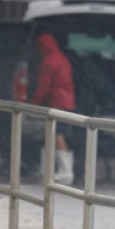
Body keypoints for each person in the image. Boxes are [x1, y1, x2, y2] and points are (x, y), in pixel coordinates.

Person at [28, 33, 76, 184]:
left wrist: (33, 102)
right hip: (68, 101)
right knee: (56, 133)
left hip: (57, 102)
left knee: (56, 134)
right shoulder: (62, 59)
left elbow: (44, 86)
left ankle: (65, 171)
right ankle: (56, 169)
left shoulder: (48, 61)